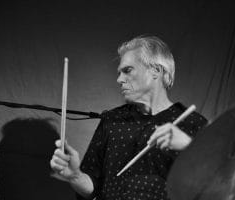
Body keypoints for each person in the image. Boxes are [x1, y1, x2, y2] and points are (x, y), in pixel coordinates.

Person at [50, 36, 208, 200]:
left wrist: (189, 147)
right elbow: (93, 189)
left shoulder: (192, 123)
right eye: (119, 73)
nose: (119, 80)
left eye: (127, 70)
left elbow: (217, 186)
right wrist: (75, 176)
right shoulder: (112, 120)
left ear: (156, 70)